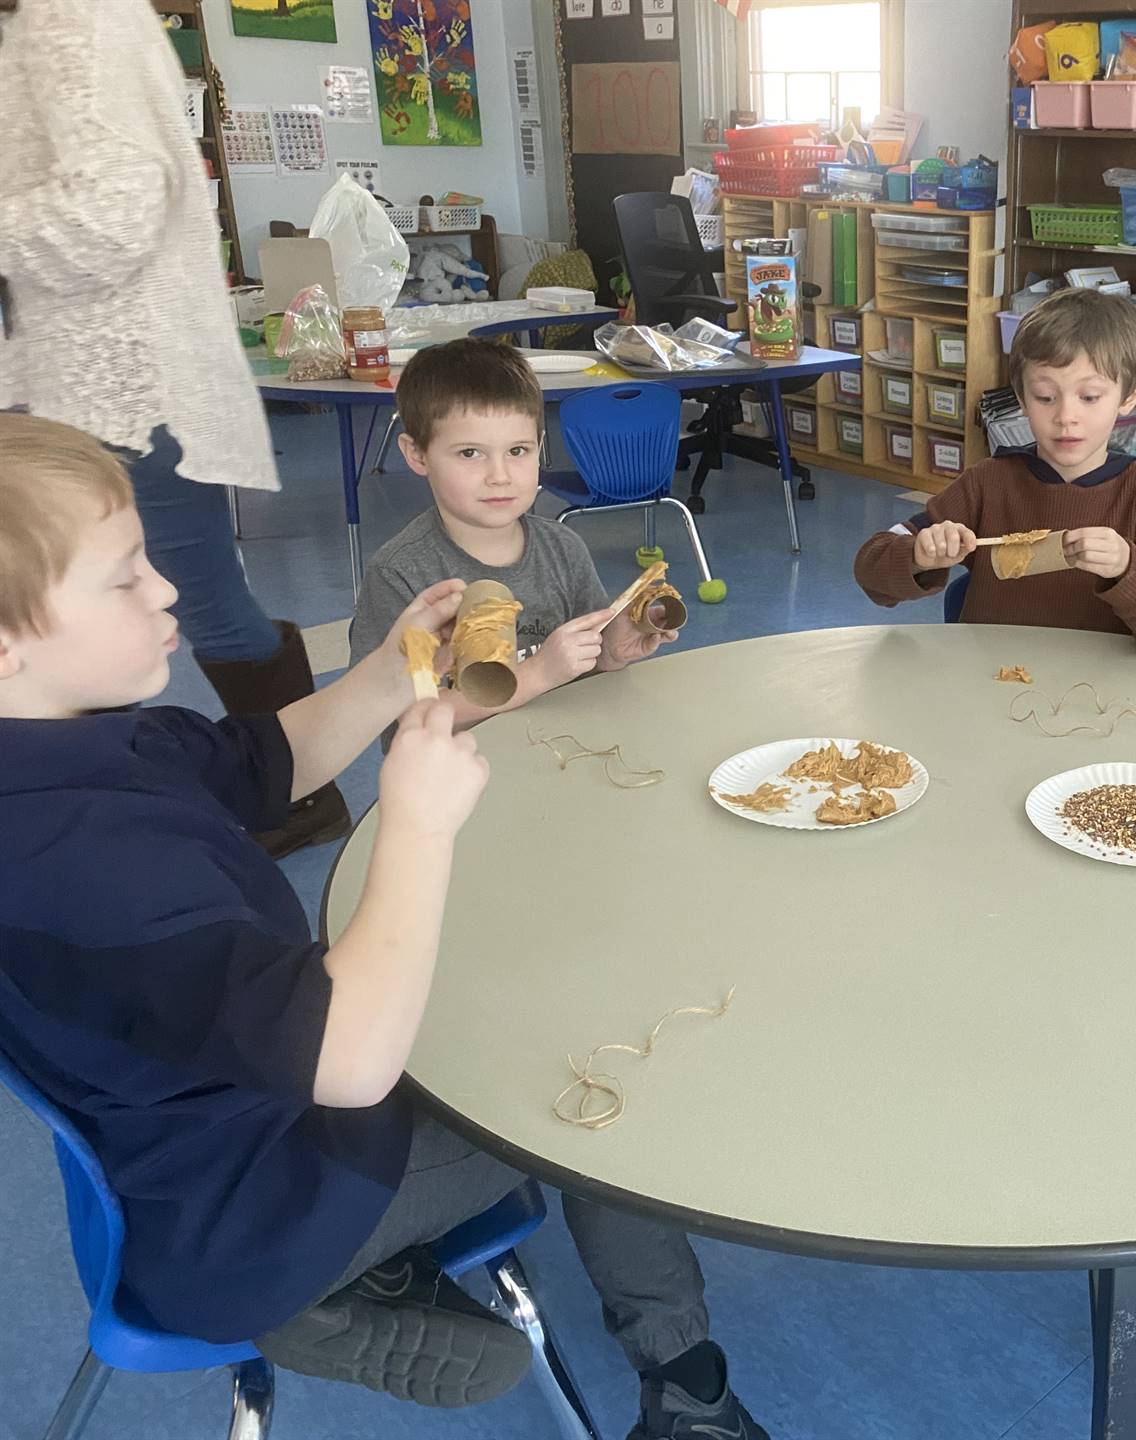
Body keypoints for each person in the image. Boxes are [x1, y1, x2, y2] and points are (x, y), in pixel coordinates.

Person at [0, 413, 768, 1440]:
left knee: (512, 1003)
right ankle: (686, 1390)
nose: (168, 589)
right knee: (603, 1091)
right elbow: (349, 1063)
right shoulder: (80, 858)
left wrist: (402, 669)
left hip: (204, 1129)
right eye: (125, 576)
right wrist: (415, 821)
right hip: (258, 1192)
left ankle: (359, 1274)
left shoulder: (73, 748)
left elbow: (271, 763)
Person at [0, 0, 345, 856]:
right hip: (70, 380)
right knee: (90, 609)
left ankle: (297, 793)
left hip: (119, 387)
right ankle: (107, 799)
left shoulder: (72, 17)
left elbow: (112, 213)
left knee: (174, 601)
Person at [852, 288, 1136, 649]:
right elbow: (871, 568)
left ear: (1129, 396)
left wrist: (1128, 567)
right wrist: (917, 554)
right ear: (1021, 397)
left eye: (1089, 397)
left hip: (1098, 699)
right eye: (1045, 397)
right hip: (991, 682)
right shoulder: (988, 482)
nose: (1066, 417)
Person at [348, 339, 678, 718]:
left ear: (539, 446)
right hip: (454, 772)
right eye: (470, 453)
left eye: (517, 451)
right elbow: (405, 715)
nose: (500, 476)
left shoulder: (562, 548)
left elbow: (582, 664)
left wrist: (611, 651)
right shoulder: (401, 574)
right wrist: (536, 674)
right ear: (417, 454)